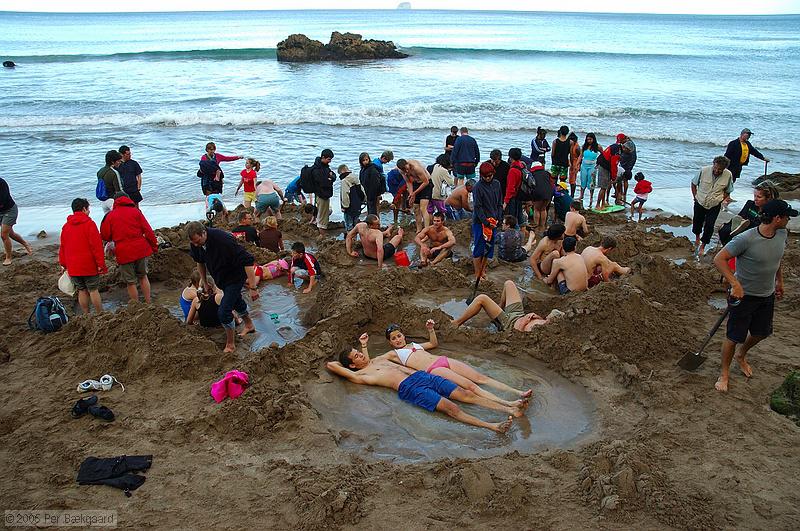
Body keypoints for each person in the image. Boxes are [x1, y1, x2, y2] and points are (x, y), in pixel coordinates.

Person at [327, 335, 514, 433]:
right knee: (451, 408)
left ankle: (509, 408)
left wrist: (364, 346)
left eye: (359, 352)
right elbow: (331, 365)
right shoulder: (360, 375)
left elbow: (366, 358)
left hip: (422, 376)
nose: (361, 354)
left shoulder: (378, 359)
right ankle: (492, 426)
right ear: (352, 365)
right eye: (357, 356)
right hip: (410, 388)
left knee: (466, 394)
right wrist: (350, 366)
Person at [712, 199, 795, 392]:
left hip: (767, 294)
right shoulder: (746, 239)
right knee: (733, 337)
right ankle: (724, 374)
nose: (789, 220)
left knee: (761, 333)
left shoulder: (782, 234)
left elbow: (777, 258)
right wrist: (735, 284)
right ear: (777, 218)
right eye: (787, 217)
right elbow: (719, 259)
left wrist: (779, 281)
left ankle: (741, 355)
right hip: (743, 297)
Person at [382, 320, 532, 406]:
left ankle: (518, 392)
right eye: (393, 339)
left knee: (480, 378)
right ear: (390, 342)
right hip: (434, 369)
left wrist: (431, 330)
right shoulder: (393, 354)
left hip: (443, 360)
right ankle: (508, 403)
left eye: (399, 336)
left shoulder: (415, 345)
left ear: (403, 335)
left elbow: (433, 344)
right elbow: (376, 361)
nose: (397, 340)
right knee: (470, 386)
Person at [187, 221, 258, 352]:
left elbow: (248, 260)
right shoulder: (196, 243)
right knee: (237, 301)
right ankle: (249, 325)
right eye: (193, 243)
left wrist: (253, 288)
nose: (196, 245)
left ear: (204, 233)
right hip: (221, 278)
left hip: (235, 277)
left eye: (198, 241)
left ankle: (230, 345)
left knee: (224, 312)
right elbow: (200, 262)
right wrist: (205, 282)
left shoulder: (223, 239)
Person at [100, 193, 158, 303]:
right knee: (143, 277)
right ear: (128, 199)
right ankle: (148, 302)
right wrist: (154, 247)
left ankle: (135, 305)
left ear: (115, 202)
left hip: (124, 252)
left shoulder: (110, 216)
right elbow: (148, 231)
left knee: (130, 282)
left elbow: (105, 235)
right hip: (140, 249)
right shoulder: (136, 211)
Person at [58, 198, 106, 313]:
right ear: (84, 209)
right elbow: (97, 247)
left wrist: (63, 264)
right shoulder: (89, 224)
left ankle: (86, 314)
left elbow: (63, 247)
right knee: (93, 290)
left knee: (81, 290)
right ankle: (100, 313)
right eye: (88, 209)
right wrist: (101, 264)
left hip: (73, 266)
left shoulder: (66, 226)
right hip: (88, 265)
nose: (89, 211)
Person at [453, 280, 550, 332]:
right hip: (518, 314)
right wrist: (535, 316)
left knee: (482, 298)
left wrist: (525, 321)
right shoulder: (549, 322)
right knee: (509, 284)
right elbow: (545, 319)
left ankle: (457, 323)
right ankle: (499, 309)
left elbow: (518, 332)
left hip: (508, 323)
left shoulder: (539, 333)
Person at [691, 155, 733, 257]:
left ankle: (703, 246)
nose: (717, 171)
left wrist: (720, 199)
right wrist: (695, 196)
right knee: (697, 221)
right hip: (700, 201)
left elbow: (728, 190)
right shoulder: (704, 170)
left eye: (720, 169)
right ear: (713, 164)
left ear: (724, 168)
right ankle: (697, 238)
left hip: (715, 204)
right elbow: (693, 184)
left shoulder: (728, 175)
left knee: (710, 225)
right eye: (716, 168)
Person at [471, 162, 502, 281]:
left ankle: (483, 271)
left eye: (490, 176)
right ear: (481, 175)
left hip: (494, 221)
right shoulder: (477, 187)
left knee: (488, 249)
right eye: (485, 176)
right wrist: (486, 222)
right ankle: (477, 273)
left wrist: (498, 218)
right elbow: (477, 207)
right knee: (479, 248)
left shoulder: (497, 184)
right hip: (480, 222)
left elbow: (499, 203)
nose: (488, 178)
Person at [0, 176, 32, 266]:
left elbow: (2, 201)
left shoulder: (1, 183)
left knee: (4, 234)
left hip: (9, 210)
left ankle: (8, 257)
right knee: (11, 234)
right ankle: (25, 243)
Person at [396, 158, 433, 233]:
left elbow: (426, 182)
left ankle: (426, 229)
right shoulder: (401, 171)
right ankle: (419, 229)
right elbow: (408, 182)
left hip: (426, 184)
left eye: (406, 168)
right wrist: (411, 194)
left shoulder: (416, 168)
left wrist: (414, 193)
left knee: (423, 208)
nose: (406, 171)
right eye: (403, 170)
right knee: (416, 208)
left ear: (407, 164)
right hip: (416, 184)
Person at [311, 149, 336, 235]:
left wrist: (331, 178)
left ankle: (321, 233)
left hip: (323, 194)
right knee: (323, 218)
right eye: (329, 159)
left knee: (323, 215)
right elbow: (323, 182)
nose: (330, 161)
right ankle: (323, 236)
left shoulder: (325, 167)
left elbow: (333, 175)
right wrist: (330, 179)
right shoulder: (317, 169)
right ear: (323, 157)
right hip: (322, 195)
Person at [594, 136, 622, 211]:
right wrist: (614, 177)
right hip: (603, 166)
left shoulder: (616, 147)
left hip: (606, 165)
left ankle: (603, 204)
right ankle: (597, 205)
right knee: (603, 187)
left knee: (605, 186)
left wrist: (613, 177)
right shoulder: (617, 151)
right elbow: (614, 165)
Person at [527, 162, 554, 235]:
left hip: (538, 193)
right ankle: (542, 227)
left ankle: (536, 227)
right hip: (548, 193)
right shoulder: (547, 173)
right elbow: (552, 183)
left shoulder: (532, 174)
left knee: (537, 209)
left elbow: (530, 185)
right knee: (543, 209)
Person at [339, 163, 366, 231]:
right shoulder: (355, 178)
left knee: (349, 226)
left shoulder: (344, 181)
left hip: (349, 208)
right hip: (358, 205)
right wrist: (364, 200)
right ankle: (355, 237)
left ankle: (350, 237)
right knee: (355, 225)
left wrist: (345, 206)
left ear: (342, 172)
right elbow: (362, 191)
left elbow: (345, 195)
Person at [503, 148, 525, 226]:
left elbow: (510, 188)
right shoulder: (521, 165)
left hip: (513, 197)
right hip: (519, 195)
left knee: (512, 219)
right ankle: (521, 230)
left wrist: (505, 202)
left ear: (510, 157)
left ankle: (515, 231)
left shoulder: (513, 170)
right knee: (519, 216)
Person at [359, 152, 384, 217]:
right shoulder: (363, 169)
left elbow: (375, 184)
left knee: (373, 211)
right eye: (363, 160)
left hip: (372, 194)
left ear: (369, 159)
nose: (365, 162)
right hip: (366, 193)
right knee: (370, 210)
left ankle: (374, 221)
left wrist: (372, 195)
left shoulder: (372, 169)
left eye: (366, 160)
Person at [579, 133, 601, 203]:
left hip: (592, 166)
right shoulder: (584, 146)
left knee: (591, 182)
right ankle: (581, 195)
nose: (589, 141)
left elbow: (603, 155)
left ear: (593, 139)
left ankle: (591, 197)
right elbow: (580, 156)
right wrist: (577, 165)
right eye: (587, 139)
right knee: (583, 180)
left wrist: (599, 163)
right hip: (584, 166)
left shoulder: (598, 146)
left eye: (590, 139)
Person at [371, 150, 394, 215]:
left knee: (373, 205)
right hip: (374, 188)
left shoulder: (375, 160)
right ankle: (376, 216)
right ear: (384, 158)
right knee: (376, 205)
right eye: (388, 160)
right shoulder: (379, 166)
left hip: (370, 187)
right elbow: (381, 178)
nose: (387, 162)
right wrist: (385, 189)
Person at [617, 134, 637, 203]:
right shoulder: (630, 142)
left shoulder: (628, 144)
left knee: (623, 178)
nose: (620, 143)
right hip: (630, 161)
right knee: (625, 178)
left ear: (623, 139)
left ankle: (622, 193)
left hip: (627, 162)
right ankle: (623, 193)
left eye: (620, 141)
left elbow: (626, 152)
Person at [567, 132, 581, 197]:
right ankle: (572, 194)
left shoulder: (577, 147)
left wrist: (579, 166)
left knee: (572, 180)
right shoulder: (572, 145)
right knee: (571, 180)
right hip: (572, 164)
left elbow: (580, 157)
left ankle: (572, 195)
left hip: (575, 164)